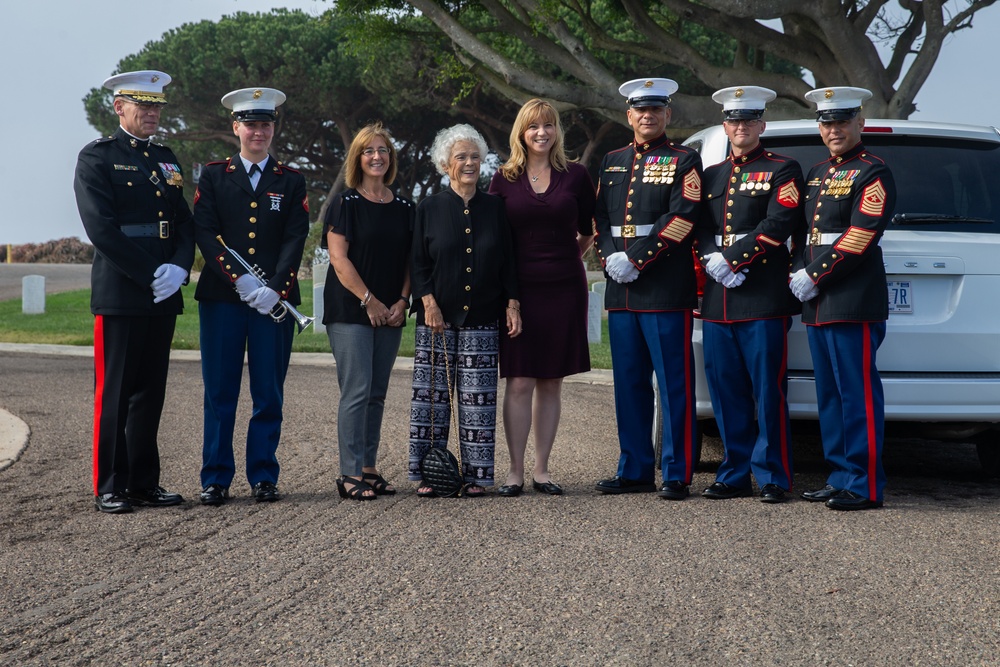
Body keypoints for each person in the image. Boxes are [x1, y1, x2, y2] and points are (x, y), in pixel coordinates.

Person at [74, 70, 195, 514]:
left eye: (157, 105)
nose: (151, 112)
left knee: (150, 391)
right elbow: (100, 229)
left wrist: (180, 268)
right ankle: (110, 483)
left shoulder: (166, 158)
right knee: (115, 391)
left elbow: (183, 221)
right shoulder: (97, 158)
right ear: (119, 107)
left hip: (163, 289)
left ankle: (144, 482)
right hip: (123, 290)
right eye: (142, 104)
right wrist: (150, 272)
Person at [193, 87, 310, 506]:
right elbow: (205, 232)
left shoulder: (291, 180)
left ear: (273, 128)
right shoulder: (212, 175)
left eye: (265, 124)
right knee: (220, 392)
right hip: (223, 300)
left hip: (274, 305)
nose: (258, 132)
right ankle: (216, 478)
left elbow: (296, 237)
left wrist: (274, 289)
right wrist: (239, 281)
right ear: (235, 127)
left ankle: (263, 474)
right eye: (251, 124)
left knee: (268, 391)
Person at [593, 78, 703, 499]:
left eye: (655, 110)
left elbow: (683, 217)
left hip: (663, 287)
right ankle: (634, 468)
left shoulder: (684, 159)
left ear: (667, 115)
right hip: (622, 292)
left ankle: (676, 472)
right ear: (629, 115)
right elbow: (599, 218)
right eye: (640, 110)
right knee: (629, 383)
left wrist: (636, 257)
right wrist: (610, 259)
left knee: (673, 384)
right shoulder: (613, 160)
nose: (647, 116)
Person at [695, 86, 805, 504]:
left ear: (761, 125)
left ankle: (774, 476)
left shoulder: (783, 168)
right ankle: (734, 473)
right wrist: (711, 257)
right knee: (726, 392)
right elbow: (701, 226)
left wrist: (734, 259)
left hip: (762, 297)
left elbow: (779, 223)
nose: (740, 127)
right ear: (725, 125)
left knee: (767, 392)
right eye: (733, 120)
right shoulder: (713, 174)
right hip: (719, 301)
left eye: (748, 120)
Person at [792, 87, 896, 511]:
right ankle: (840, 475)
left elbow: (861, 235)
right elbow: (806, 234)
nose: (834, 129)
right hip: (819, 302)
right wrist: (798, 272)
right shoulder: (817, 172)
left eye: (842, 121)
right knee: (830, 394)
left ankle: (866, 483)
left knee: (857, 393)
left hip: (851, 298)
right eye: (827, 123)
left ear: (860, 124)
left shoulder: (873, 172)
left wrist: (814, 274)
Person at [488, 99, 596, 497]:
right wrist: (508, 295)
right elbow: (494, 240)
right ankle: (514, 471)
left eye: (548, 125)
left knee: (551, 381)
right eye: (533, 126)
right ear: (521, 132)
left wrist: (567, 258)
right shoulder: (502, 178)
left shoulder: (577, 175)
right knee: (518, 380)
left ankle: (542, 470)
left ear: (557, 132)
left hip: (565, 288)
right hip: (519, 291)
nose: (541, 133)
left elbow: (588, 230)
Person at [408, 124, 521, 497]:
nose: (470, 163)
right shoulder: (429, 208)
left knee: (478, 403)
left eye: (475, 156)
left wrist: (512, 303)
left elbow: (508, 262)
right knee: (432, 401)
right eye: (461, 157)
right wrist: (428, 303)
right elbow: (418, 263)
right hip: (435, 318)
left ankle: (475, 476)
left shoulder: (495, 208)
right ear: (445, 164)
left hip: (483, 317)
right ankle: (429, 475)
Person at [322, 123, 414, 500]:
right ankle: (348, 474)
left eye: (384, 150)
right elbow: (338, 259)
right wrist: (369, 300)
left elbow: (413, 260)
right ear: (357, 158)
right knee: (356, 391)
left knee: (377, 392)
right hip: (351, 310)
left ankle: (368, 468)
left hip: (391, 312)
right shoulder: (344, 204)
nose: (377, 157)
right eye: (369, 151)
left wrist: (403, 301)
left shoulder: (406, 207)